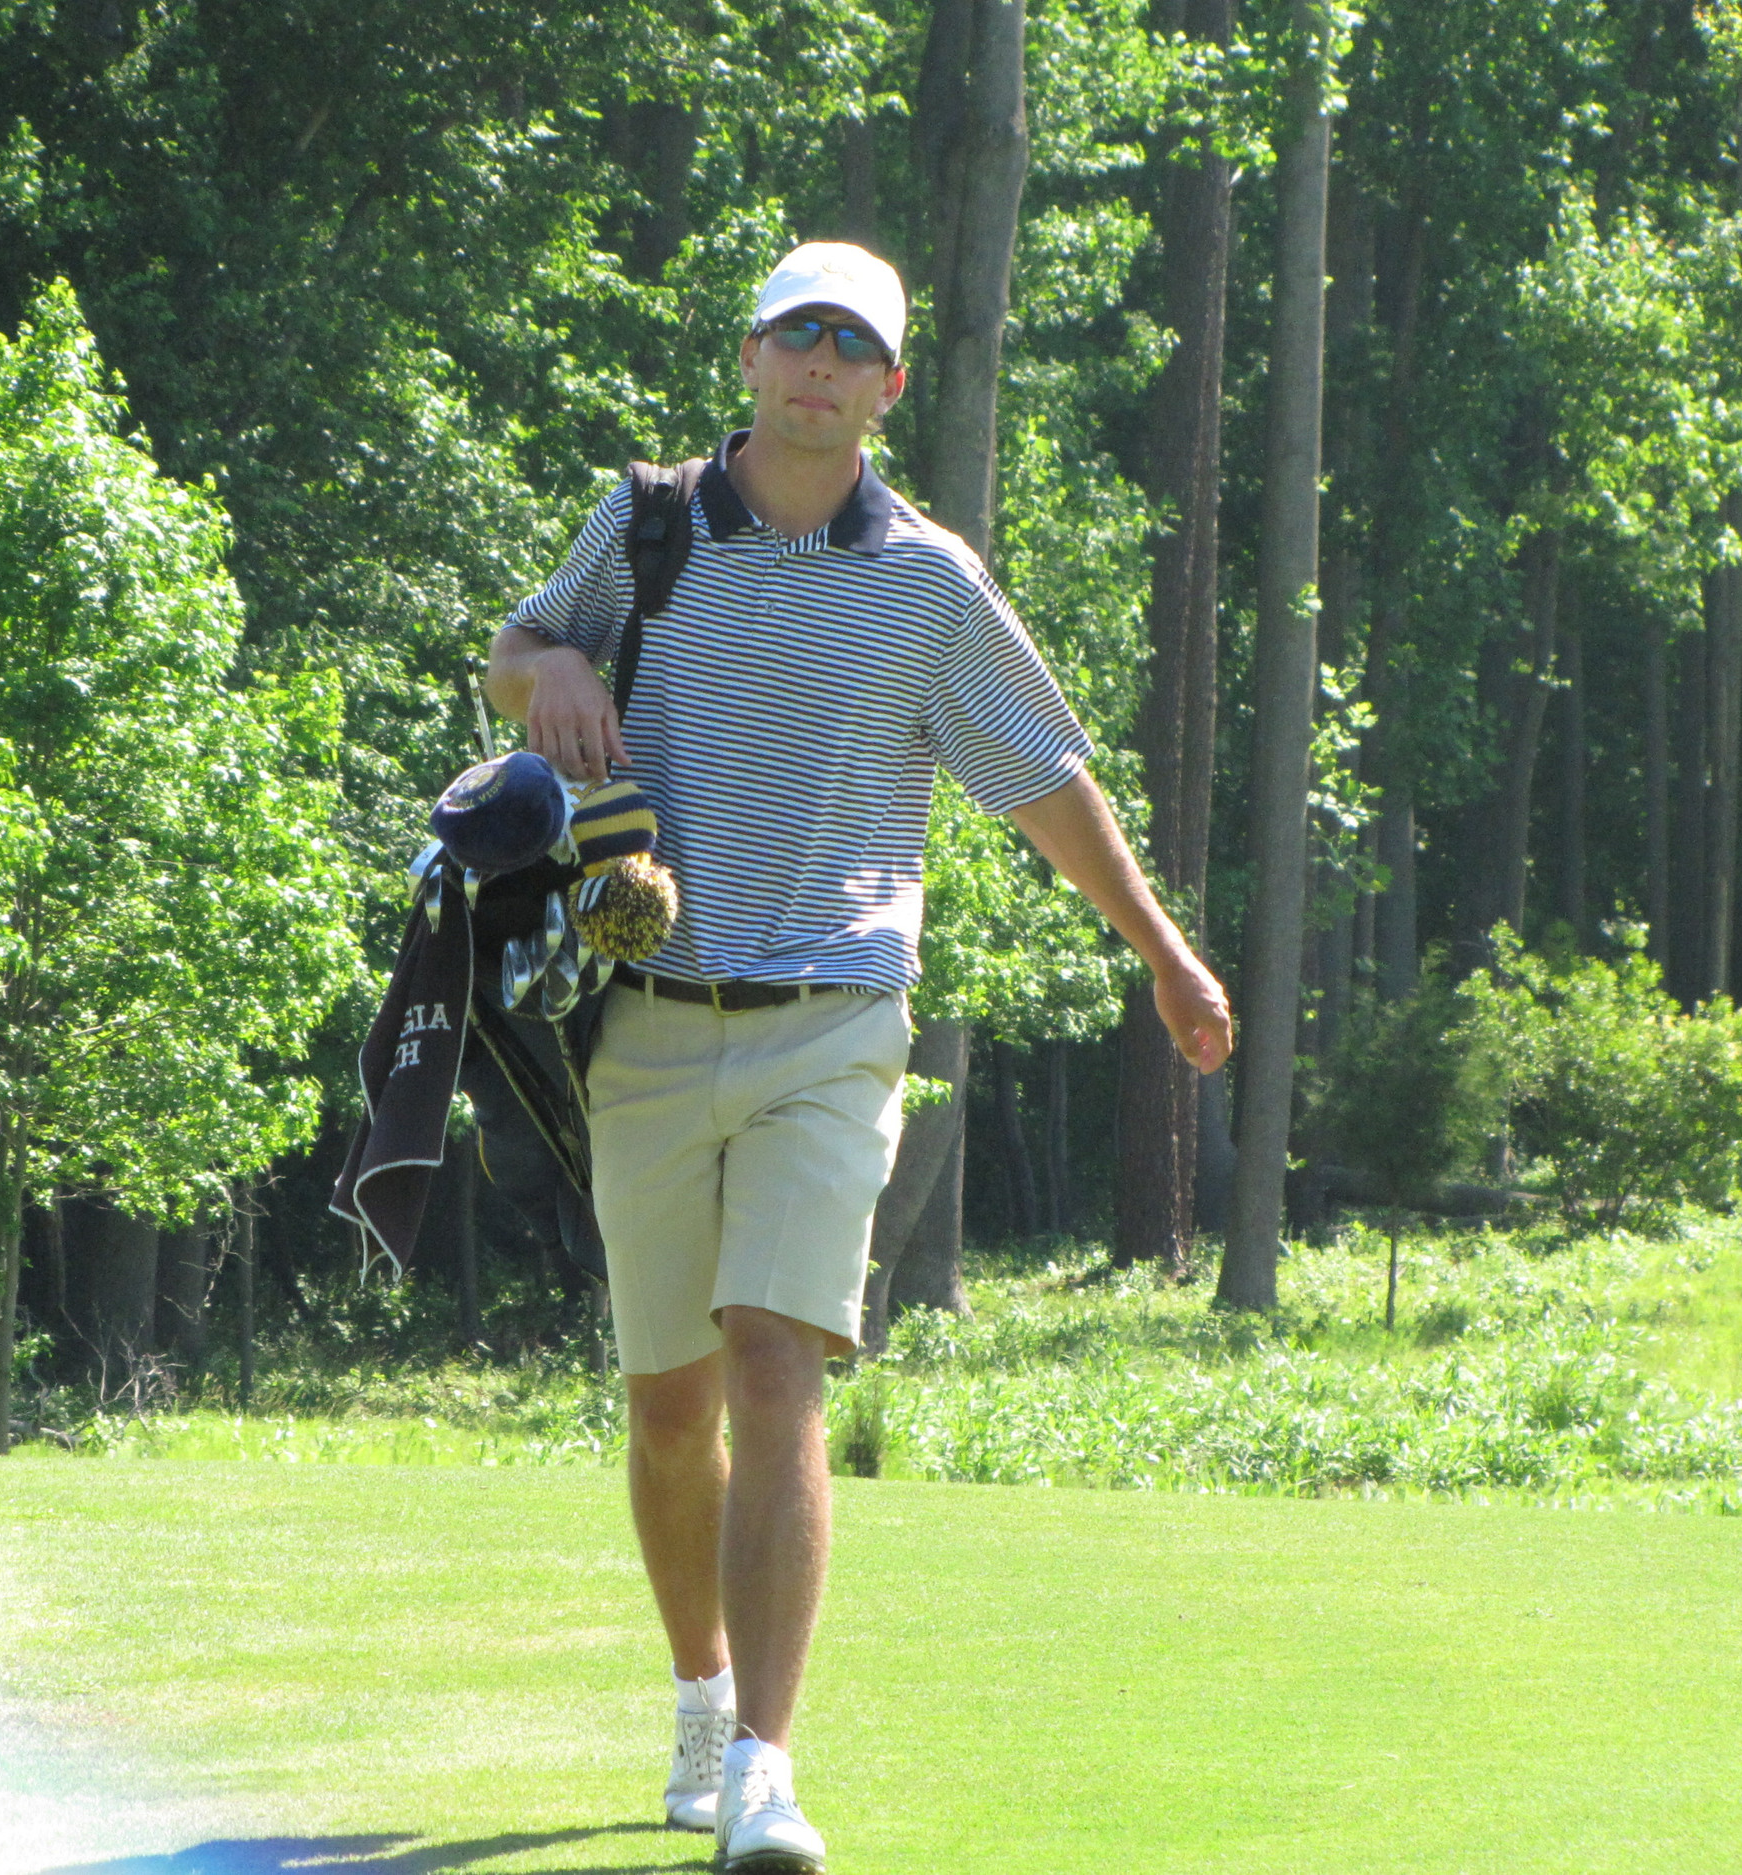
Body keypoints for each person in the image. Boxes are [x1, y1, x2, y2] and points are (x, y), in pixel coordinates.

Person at [485, 241, 1232, 1873]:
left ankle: (765, 1763)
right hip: (651, 1021)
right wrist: (543, 672)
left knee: (776, 1375)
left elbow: (1042, 782)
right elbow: (523, 647)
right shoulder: (650, 522)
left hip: (836, 1019)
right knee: (671, 1408)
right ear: (750, 359)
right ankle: (698, 1698)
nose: (819, 366)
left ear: (891, 388)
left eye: (853, 347)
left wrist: (1164, 954)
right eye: (795, 337)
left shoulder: (932, 581)